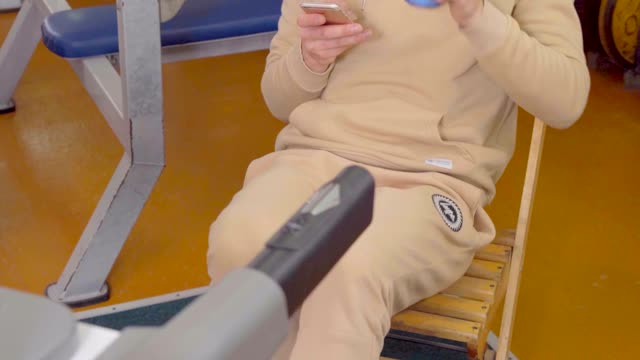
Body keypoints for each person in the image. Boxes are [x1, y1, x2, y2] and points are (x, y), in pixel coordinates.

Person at [206, 0, 590, 358]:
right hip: (314, 155)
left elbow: (565, 101)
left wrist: (477, 17)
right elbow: (279, 99)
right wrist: (309, 58)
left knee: (350, 271)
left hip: (432, 180)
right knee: (239, 244)